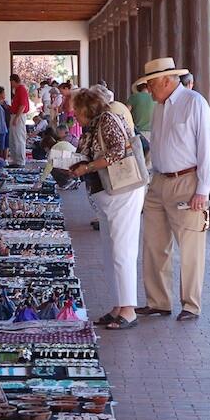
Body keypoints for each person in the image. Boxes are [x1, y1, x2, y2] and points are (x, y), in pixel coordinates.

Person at [134, 58, 210, 321]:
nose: (148, 88)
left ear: (167, 80)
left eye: (151, 83)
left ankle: (190, 305)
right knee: (154, 244)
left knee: (190, 246)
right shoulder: (159, 107)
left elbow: (206, 149)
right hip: (158, 181)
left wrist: (202, 189)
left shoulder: (194, 103)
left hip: (187, 181)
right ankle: (159, 301)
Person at [70, 89, 144, 330]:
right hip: (107, 194)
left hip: (122, 192)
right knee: (110, 251)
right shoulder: (93, 125)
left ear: (86, 109)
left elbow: (117, 151)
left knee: (122, 250)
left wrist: (88, 166)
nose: (74, 116)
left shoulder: (108, 119)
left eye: (76, 112)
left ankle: (129, 310)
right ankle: (118, 305)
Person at [9, 73, 29, 166]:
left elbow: (23, 105)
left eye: (11, 82)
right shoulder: (17, 90)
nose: (11, 84)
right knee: (14, 138)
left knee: (18, 138)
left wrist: (17, 117)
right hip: (15, 114)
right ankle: (15, 159)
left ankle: (20, 160)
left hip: (19, 115)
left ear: (14, 81)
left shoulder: (21, 89)